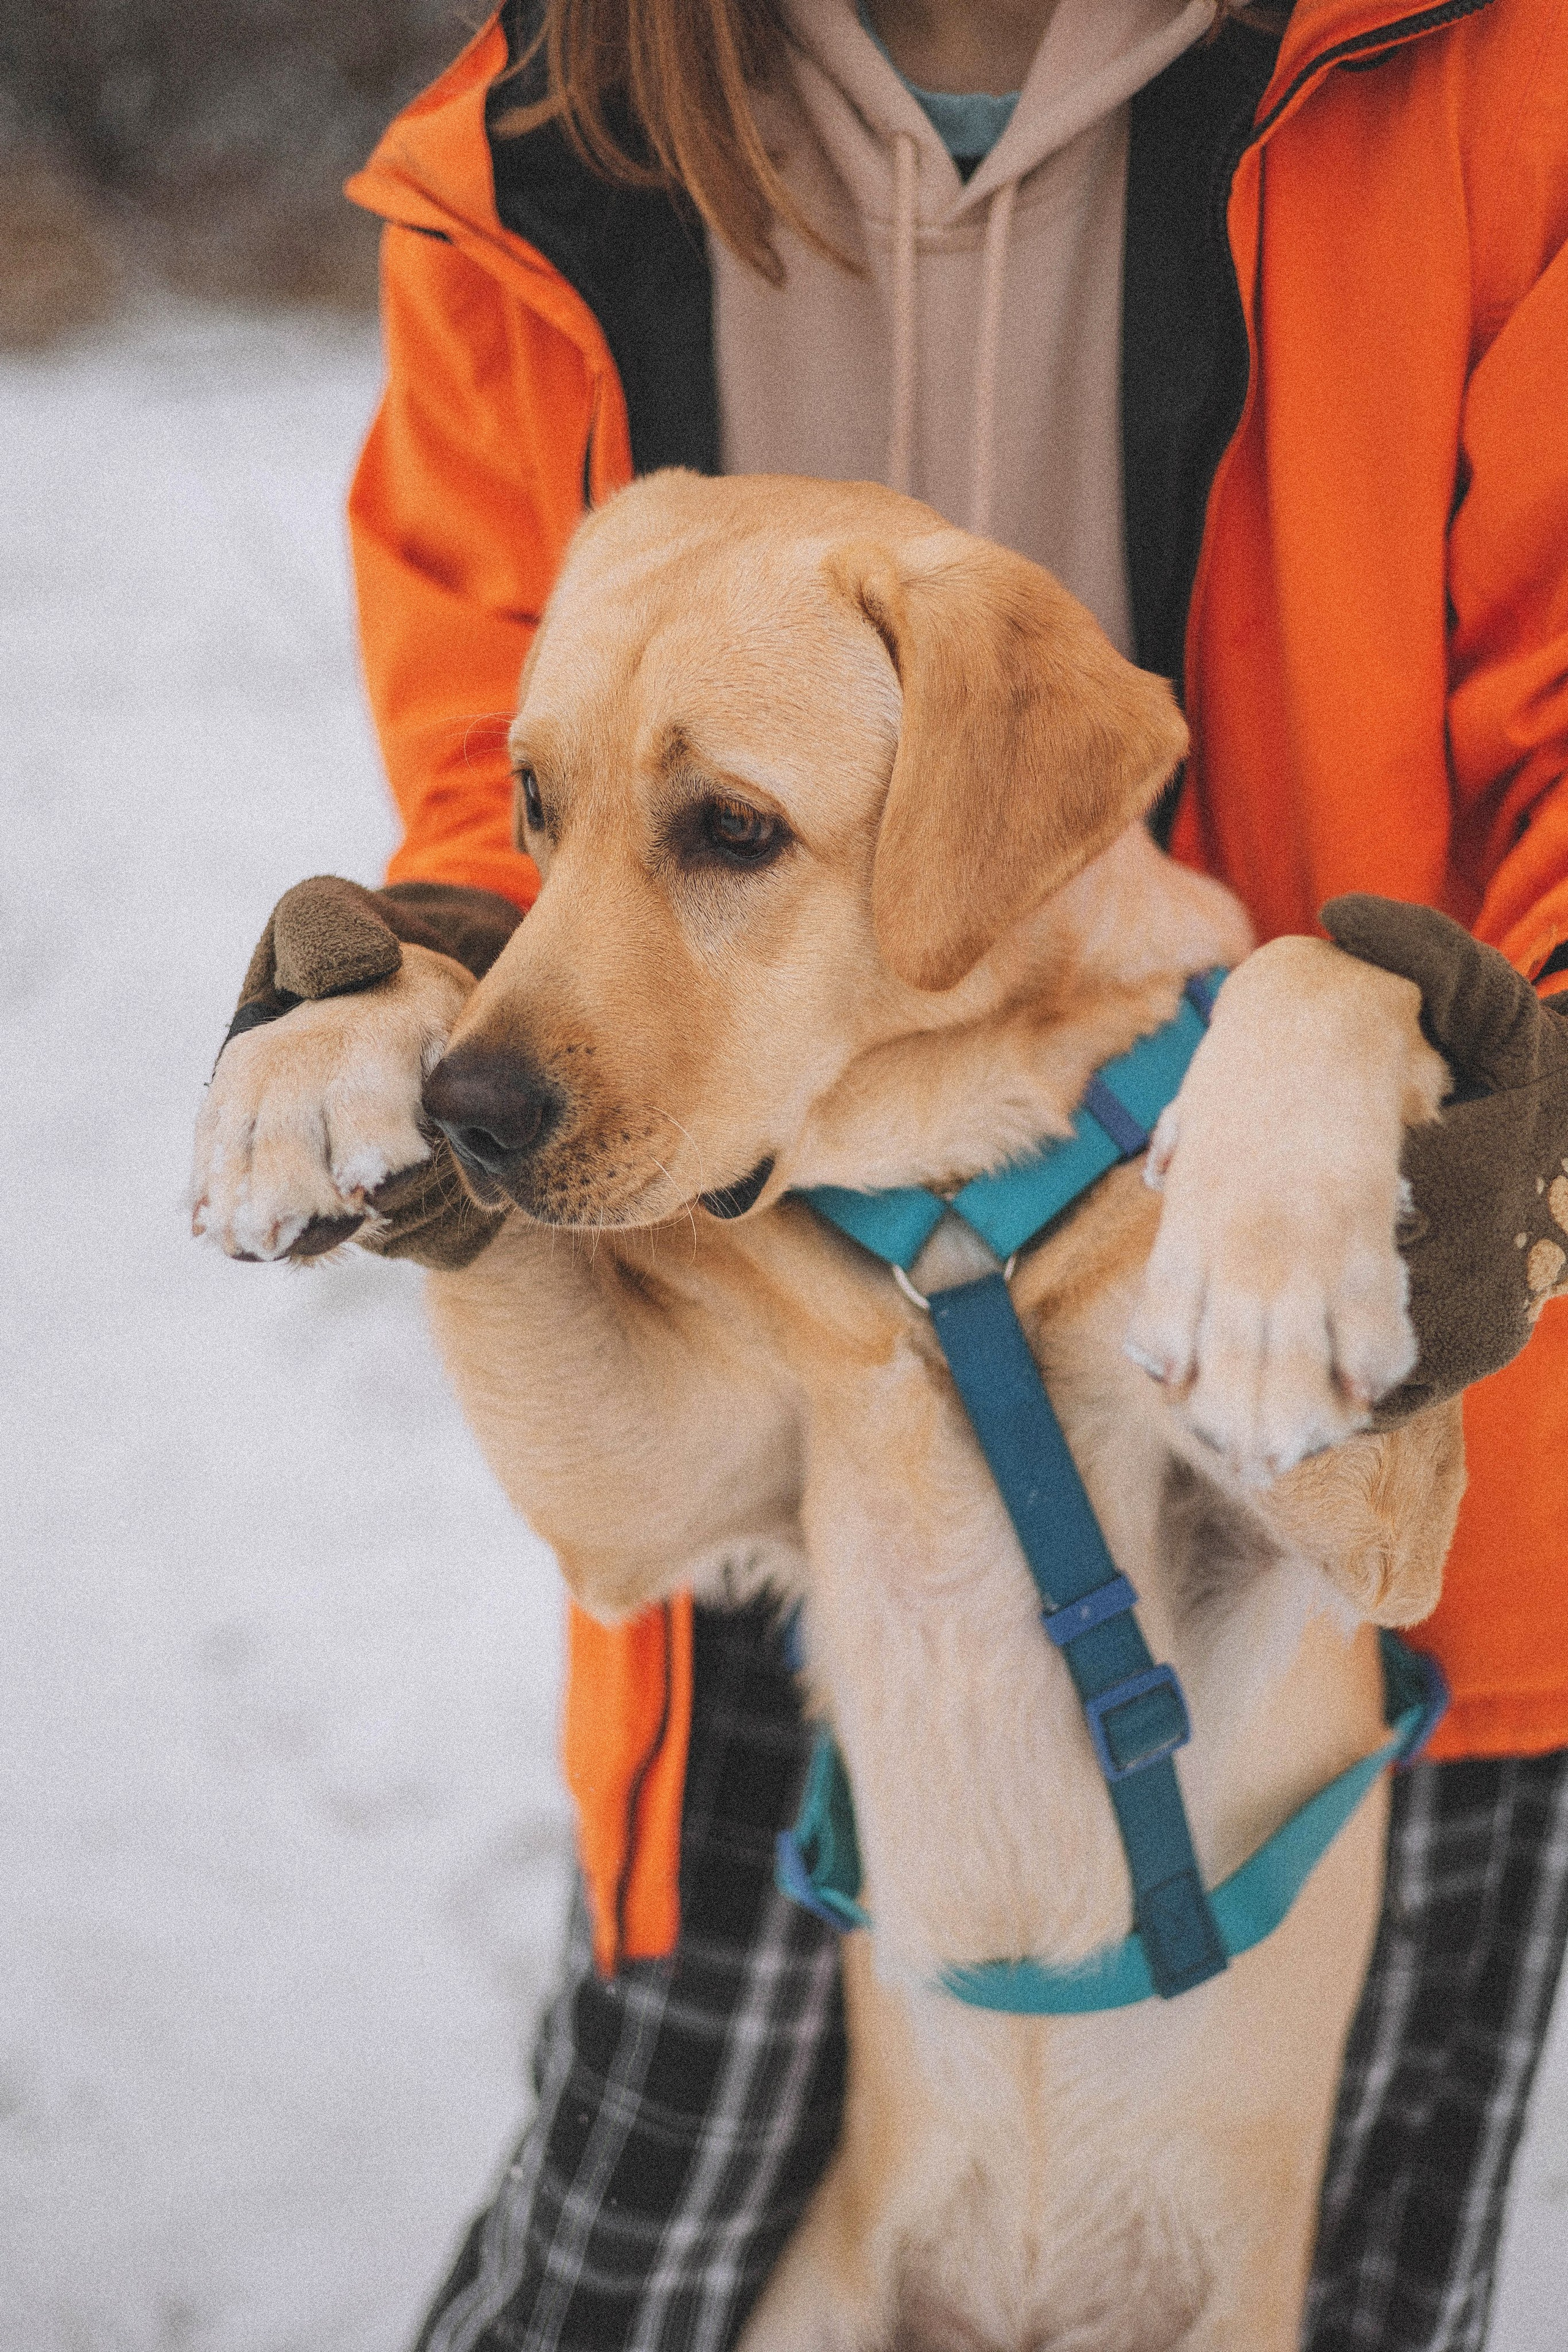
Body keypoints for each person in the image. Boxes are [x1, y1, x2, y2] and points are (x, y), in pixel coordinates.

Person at [241, 0, 1568, 2343]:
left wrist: (1514, 1080)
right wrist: (419, 1007)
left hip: (1384, 1338)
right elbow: (491, 793)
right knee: (617, 2284)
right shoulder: (529, 144)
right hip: (772, 1298)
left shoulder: (1491, 78)